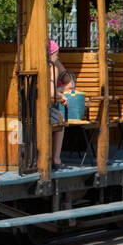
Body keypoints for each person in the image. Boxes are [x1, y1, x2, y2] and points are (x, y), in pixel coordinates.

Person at [48, 40, 74, 168]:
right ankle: (56, 159)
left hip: (28, 109)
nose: (57, 57)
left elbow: (68, 83)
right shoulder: (52, 67)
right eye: (56, 54)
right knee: (59, 118)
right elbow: (51, 94)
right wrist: (61, 97)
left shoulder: (33, 63)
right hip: (44, 108)